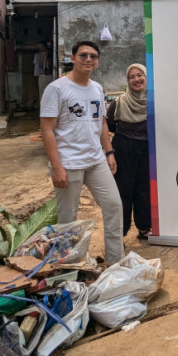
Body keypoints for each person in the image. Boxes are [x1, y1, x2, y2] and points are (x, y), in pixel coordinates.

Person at [40, 40, 123, 264]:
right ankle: (68, 266)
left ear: (97, 62)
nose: (88, 59)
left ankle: (116, 262)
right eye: (83, 55)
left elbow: (102, 123)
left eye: (93, 56)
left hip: (96, 160)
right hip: (69, 162)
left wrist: (109, 152)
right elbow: (47, 129)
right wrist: (56, 166)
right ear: (73, 58)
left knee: (114, 206)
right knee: (68, 220)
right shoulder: (57, 89)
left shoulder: (96, 88)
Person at [106, 63, 151, 240]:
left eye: (140, 75)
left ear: (146, 77)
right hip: (123, 150)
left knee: (144, 189)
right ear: (127, 81)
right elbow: (108, 126)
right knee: (123, 191)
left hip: (147, 150)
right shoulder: (119, 103)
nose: (136, 79)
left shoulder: (153, 101)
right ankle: (120, 232)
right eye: (131, 77)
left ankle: (144, 228)